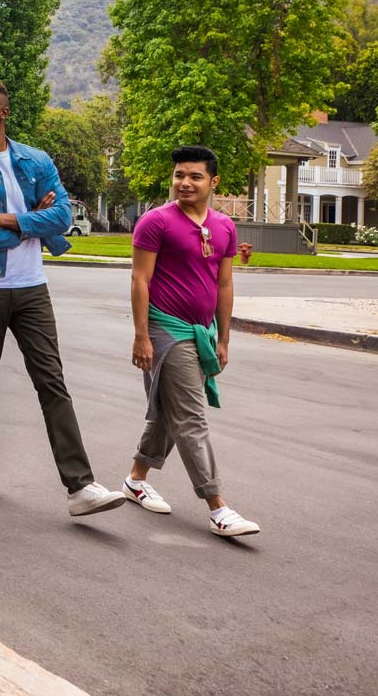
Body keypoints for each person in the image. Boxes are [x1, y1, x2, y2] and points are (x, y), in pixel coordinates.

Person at [0, 78, 125, 517]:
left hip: (31, 289)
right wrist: (30, 222)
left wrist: (7, 219)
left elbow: (62, 215)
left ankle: (80, 486)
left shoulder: (35, 159)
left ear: (3, 112)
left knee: (52, 382)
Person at [122, 145, 260, 538]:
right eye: (179, 175)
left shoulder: (225, 226)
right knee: (191, 417)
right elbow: (140, 280)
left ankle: (135, 479)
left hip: (202, 332)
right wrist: (141, 335)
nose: (184, 182)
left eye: (195, 176)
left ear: (212, 182)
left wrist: (224, 337)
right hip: (167, 330)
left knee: (169, 411)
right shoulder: (155, 222)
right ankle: (218, 507)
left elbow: (225, 283)